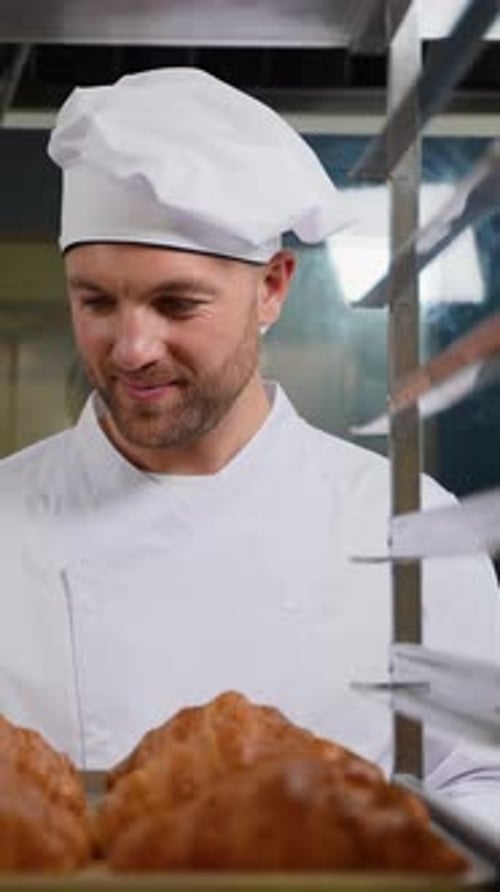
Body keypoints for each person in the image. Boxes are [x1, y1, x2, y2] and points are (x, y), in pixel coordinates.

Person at [1, 67, 500, 828]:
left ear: (272, 287)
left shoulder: (404, 525)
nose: (131, 348)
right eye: (95, 300)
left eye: (176, 302)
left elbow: (484, 785)